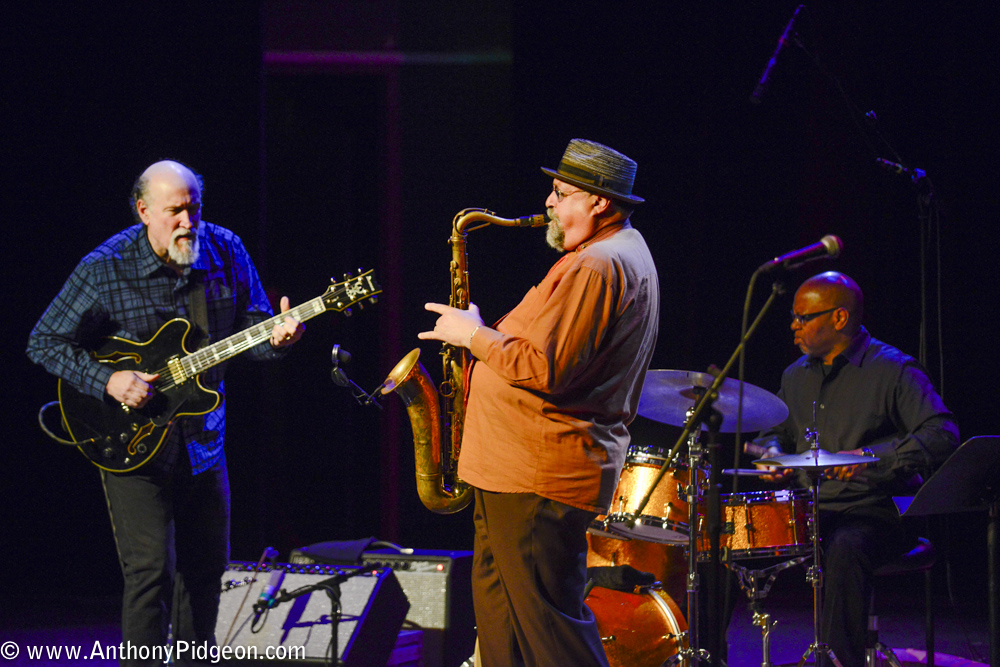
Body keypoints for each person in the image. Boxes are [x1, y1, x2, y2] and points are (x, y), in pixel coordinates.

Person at [27, 160, 304, 665]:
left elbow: (256, 334)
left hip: (204, 439)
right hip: (129, 442)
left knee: (205, 573)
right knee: (150, 571)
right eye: (175, 211)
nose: (187, 222)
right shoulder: (104, 266)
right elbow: (43, 342)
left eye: (194, 208)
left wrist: (280, 338)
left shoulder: (226, 248)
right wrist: (107, 380)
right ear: (144, 211)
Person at [418, 138, 660, 667]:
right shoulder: (610, 254)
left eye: (561, 193)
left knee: (551, 632)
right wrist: (481, 330)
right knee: (504, 621)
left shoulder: (596, 265)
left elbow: (546, 368)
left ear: (599, 202)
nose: (549, 204)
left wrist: (471, 337)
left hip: (537, 473)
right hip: (514, 470)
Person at [751, 271, 958, 667]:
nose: (793, 326)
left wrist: (872, 458)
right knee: (729, 536)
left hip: (875, 511)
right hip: (811, 512)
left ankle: (837, 661)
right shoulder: (795, 375)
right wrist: (773, 455)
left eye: (802, 317)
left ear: (840, 318)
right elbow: (774, 431)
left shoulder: (893, 368)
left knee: (846, 545)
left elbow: (941, 432)